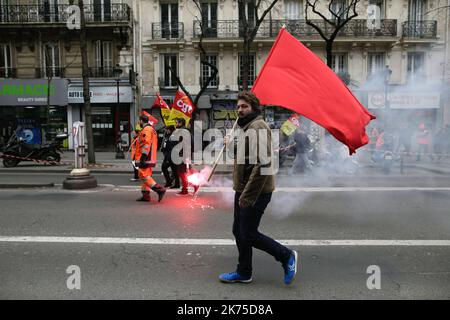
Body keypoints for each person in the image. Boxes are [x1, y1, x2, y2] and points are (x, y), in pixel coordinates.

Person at [219, 91, 298, 285]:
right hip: (243, 189)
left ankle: (286, 256)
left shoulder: (259, 127)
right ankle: (244, 272)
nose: (240, 110)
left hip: (256, 192)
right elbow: (245, 156)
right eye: (238, 107)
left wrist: (248, 196)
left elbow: (262, 166)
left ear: (254, 108)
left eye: (244, 106)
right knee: (239, 231)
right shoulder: (246, 128)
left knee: (249, 234)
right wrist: (230, 146)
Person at [135, 111, 166, 202]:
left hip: (146, 157)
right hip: (149, 156)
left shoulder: (146, 130)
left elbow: (146, 144)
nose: (138, 123)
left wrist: (143, 157)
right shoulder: (150, 129)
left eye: (139, 121)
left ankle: (160, 190)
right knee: (146, 175)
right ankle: (146, 195)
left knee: (143, 174)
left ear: (141, 120)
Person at [172, 117, 199, 195]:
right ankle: (187, 188)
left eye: (177, 123)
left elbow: (186, 144)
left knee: (182, 172)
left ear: (181, 123)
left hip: (183, 155)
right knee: (184, 172)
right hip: (183, 154)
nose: (175, 124)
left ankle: (190, 187)